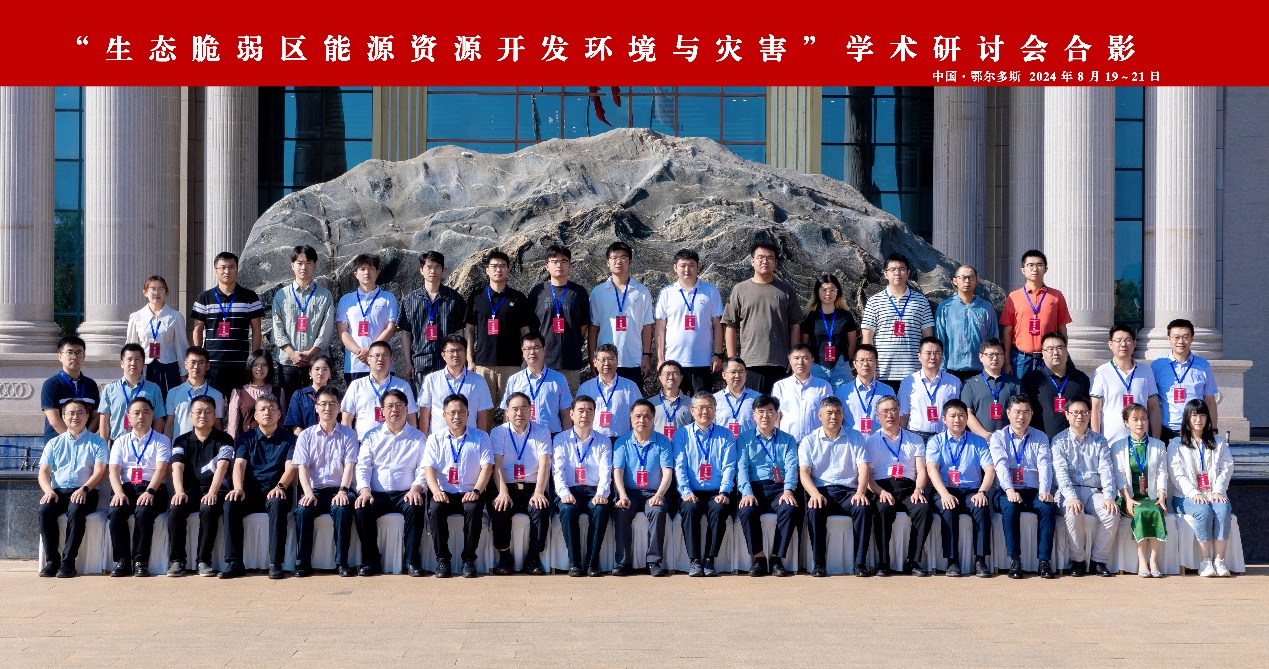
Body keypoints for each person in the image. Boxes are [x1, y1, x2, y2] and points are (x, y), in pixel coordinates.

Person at [353, 389, 428, 577]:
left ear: (407, 409)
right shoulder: (371, 436)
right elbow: (363, 467)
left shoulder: (418, 437)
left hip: (406, 493)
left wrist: (415, 489)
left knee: (415, 505)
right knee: (362, 509)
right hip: (377, 494)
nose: (395, 410)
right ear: (382, 411)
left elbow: (423, 469)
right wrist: (364, 491)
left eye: (399, 405)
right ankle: (371, 561)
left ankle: (411, 561)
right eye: (390, 406)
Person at [221, 394, 296, 579]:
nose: (267, 412)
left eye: (272, 409)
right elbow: (239, 465)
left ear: (279, 414)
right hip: (250, 491)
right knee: (231, 503)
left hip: (277, 489)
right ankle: (234, 563)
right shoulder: (245, 438)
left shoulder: (290, 439)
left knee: (277, 502)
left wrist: (280, 487)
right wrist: (238, 488)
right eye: (262, 409)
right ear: (255, 415)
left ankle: (275, 564)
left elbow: (290, 468)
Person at [422, 394, 495, 578]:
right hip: (444, 493)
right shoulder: (435, 439)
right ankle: (442, 560)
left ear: (468, 414)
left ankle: (468, 559)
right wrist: (436, 491)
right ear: (444, 415)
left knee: (473, 508)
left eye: (461, 412)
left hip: (470, 492)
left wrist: (476, 491)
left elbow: (487, 467)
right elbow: (428, 469)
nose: (457, 417)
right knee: (435, 509)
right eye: (452, 413)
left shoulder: (481, 437)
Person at [800, 395, 872, 577]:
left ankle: (860, 563)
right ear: (820, 416)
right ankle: (818, 564)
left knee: (863, 508)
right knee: (814, 510)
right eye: (829, 413)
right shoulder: (809, 440)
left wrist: (861, 492)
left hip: (849, 492)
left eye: (838, 412)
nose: (834, 417)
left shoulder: (855, 437)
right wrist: (814, 494)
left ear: (843, 415)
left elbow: (863, 467)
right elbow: (804, 473)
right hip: (822, 491)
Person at [291, 386, 358, 577]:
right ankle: (303, 562)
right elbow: (302, 468)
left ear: (339, 407)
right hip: (315, 491)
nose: (327, 408)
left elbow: (349, 466)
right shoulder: (306, 435)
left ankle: (342, 562)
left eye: (332, 404)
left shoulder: (349, 434)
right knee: (303, 510)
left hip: (340, 489)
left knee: (342, 508)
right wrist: (308, 493)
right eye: (323, 404)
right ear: (316, 407)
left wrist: (343, 491)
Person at [36, 399, 107, 578]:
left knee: (76, 510)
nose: (76, 417)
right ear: (63, 417)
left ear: (87, 416)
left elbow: (99, 472)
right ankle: (52, 561)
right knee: (45, 510)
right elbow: (43, 472)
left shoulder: (98, 442)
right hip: (58, 491)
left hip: (86, 491)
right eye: (71, 413)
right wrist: (48, 491)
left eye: (80, 413)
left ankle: (68, 562)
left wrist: (84, 489)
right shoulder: (54, 443)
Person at [989, 394, 1057, 579]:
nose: (1021, 416)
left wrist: (1044, 491)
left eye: (1026, 412)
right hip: (1006, 490)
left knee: (1047, 507)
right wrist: (1009, 490)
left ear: (1032, 414)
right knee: (1010, 507)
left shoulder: (1040, 436)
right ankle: (1015, 560)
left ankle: (1044, 561)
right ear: (1008, 413)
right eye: (1017, 412)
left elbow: (1044, 465)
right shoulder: (998, 437)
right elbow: (1000, 464)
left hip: (1033, 491)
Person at [165, 395, 234, 577]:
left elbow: (222, 467)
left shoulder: (225, 439)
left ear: (215, 415)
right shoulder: (180, 441)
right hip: (190, 491)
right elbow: (177, 467)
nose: (203, 415)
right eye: (198, 412)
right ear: (191, 416)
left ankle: (204, 561)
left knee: (208, 507)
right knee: (176, 507)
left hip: (216, 490)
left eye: (208, 412)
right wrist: (179, 491)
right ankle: (177, 561)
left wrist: (212, 492)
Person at [1050, 395, 1119, 577]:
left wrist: (1109, 496)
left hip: (1093, 491)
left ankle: (1098, 561)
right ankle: (1078, 560)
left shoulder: (1100, 440)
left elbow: (1106, 471)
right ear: (1067, 415)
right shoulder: (1058, 441)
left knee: (1111, 512)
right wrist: (1071, 497)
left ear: (1090, 415)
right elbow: (1060, 473)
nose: (1080, 416)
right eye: (1075, 413)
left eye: (1084, 412)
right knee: (1073, 512)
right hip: (1067, 491)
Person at [723, 241, 803, 395]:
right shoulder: (740, 290)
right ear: (752, 261)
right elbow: (730, 325)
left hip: (780, 363)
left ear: (776, 262)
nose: (765, 261)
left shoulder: (786, 291)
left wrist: (793, 357)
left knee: (778, 407)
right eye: (760, 257)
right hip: (749, 364)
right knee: (752, 407)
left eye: (769, 258)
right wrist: (733, 360)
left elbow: (795, 325)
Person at [865, 395, 933, 576]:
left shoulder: (915, 439)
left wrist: (918, 489)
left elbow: (921, 471)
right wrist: (880, 491)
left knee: (923, 509)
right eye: (885, 411)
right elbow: (867, 477)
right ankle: (883, 562)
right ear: (878, 416)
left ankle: (913, 561)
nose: (890, 415)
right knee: (882, 510)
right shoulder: (871, 441)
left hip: (909, 487)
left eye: (893, 410)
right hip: (882, 487)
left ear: (899, 412)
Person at [925, 399, 994, 577]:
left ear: (967, 418)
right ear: (944, 419)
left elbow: (989, 469)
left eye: (962, 415)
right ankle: (952, 561)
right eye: (953, 416)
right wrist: (944, 494)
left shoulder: (978, 441)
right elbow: (932, 469)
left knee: (981, 506)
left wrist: (982, 492)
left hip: (972, 491)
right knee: (948, 509)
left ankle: (980, 560)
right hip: (945, 490)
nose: (957, 419)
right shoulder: (935, 441)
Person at [487, 392, 553, 576]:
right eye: (515, 409)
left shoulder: (542, 431)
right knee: (500, 506)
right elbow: (497, 465)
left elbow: (544, 464)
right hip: (506, 486)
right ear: (506, 412)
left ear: (531, 410)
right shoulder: (498, 432)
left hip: (532, 487)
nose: (519, 413)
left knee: (540, 507)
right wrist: (502, 492)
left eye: (524, 408)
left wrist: (539, 492)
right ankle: (504, 555)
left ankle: (534, 557)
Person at [105, 397, 172, 577]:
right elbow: (113, 470)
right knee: (116, 512)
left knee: (144, 512)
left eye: (145, 412)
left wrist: (150, 491)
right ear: (128, 417)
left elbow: (161, 469)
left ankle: (140, 561)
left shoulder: (162, 440)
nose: (141, 416)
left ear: (152, 416)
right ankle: (122, 561)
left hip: (153, 489)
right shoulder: (120, 441)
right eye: (136, 413)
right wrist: (118, 492)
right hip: (126, 489)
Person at [673, 392, 737, 577]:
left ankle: (710, 559)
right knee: (689, 508)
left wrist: (724, 492)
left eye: (709, 408)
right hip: (691, 491)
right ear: (692, 410)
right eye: (700, 408)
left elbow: (729, 467)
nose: (705, 412)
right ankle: (694, 560)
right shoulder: (682, 435)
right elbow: (680, 467)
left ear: (715, 411)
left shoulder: (726, 435)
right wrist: (686, 491)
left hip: (716, 491)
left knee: (719, 509)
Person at [1168, 398, 1234, 577]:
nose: (1199, 419)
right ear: (1187, 418)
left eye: (1203, 415)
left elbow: (1226, 468)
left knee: (1223, 509)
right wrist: (1194, 493)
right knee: (1203, 511)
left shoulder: (1218, 442)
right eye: (1194, 415)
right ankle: (1205, 561)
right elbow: (1177, 474)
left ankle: (1219, 560)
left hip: (1213, 493)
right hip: (1185, 497)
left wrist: (1218, 490)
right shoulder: (1176, 444)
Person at [735, 395, 800, 577]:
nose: (765, 416)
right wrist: (746, 493)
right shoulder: (744, 439)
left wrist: (788, 490)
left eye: (770, 411)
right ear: (754, 415)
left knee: (789, 508)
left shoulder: (788, 439)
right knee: (747, 510)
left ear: (777, 415)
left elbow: (791, 467)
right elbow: (741, 468)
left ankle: (777, 558)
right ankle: (759, 558)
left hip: (779, 489)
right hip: (754, 488)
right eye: (761, 412)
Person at [611, 399, 676, 577]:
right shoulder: (622, 442)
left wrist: (659, 495)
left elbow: (667, 472)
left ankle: (653, 562)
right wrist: (622, 495)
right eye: (638, 416)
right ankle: (623, 562)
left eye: (647, 416)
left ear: (653, 419)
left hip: (653, 493)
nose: (642, 420)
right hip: (629, 493)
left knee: (657, 511)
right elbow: (617, 471)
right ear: (631, 418)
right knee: (621, 510)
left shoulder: (663, 441)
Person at [465, 250, 536, 405]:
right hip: (483, 365)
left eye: (502, 266)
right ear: (487, 270)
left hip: (512, 365)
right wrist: (469, 359)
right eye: (494, 266)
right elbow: (469, 329)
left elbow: (525, 331)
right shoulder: (476, 298)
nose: (498, 270)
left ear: (508, 270)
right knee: (483, 410)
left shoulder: (518, 298)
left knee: (513, 408)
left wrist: (525, 361)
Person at [553, 396, 613, 577]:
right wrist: (564, 493)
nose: (584, 415)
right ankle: (575, 563)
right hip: (570, 491)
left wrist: (602, 494)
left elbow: (606, 471)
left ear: (595, 415)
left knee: (601, 510)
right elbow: (558, 471)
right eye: (580, 410)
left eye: (589, 410)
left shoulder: (603, 440)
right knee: (568, 510)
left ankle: (592, 563)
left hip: (594, 492)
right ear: (571, 414)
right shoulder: (561, 439)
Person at [191, 252, 264, 397]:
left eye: (231, 267)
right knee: (210, 405)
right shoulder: (204, 298)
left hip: (240, 364)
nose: (227, 271)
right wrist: (199, 358)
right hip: (212, 365)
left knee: (239, 407)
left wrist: (254, 358)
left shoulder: (250, 297)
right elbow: (197, 329)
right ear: (216, 271)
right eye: (222, 267)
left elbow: (257, 329)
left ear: (237, 270)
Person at [655, 248, 725, 395]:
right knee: (674, 403)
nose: (687, 270)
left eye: (691, 265)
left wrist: (718, 354)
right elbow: (660, 328)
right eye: (683, 265)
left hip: (702, 362)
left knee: (701, 404)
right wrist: (660, 359)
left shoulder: (710, 291)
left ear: (698, 266)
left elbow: (718, 325)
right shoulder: (666, 293)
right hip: (673, 362)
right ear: (675, 267)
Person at [861, 253, 935, 390]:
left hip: (914, 373)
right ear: (885, 274)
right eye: (892, 269)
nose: (897, 273)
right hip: (882, 373)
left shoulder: (921, 301)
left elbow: (928, 338)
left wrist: (927, 367)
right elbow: (867, 339)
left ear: (908, 273)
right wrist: (871, 368)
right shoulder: (874, 302)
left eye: (901, 269)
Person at [1111, 402, 1169, 578]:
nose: (1140, 423)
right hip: (1128, 496)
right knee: (1142, 511)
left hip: (1151, 495)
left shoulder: (1158, 445)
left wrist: (1162, 497)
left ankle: (1153, 560)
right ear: (1126, 422)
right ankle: (1142, 561)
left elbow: (1162, 473)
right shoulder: (1118, 446)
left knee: (1156, 510)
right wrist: (1128, 499)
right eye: (1135, 419)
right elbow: (1119, 476)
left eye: (1143, 418)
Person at [271, 245, 335, 399]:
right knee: (287, 405)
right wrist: (291, 353)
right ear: (292, 265)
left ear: (315, 265)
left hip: (316, 363)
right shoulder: (281, 295)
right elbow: (277, 328)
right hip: (288, 362)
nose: (304, 267)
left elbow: (327, 328)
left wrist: (311, 353)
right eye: (299, 263)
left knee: (318, 404)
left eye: (308, 263)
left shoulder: (325, 295)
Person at [527, 244, 591, 393]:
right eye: (554, 261)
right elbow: (531, 326)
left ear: (570, 265)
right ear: (547, 266)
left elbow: (583, 325)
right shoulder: (537, 292)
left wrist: (574, 341)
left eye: (563, 261)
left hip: (571, 360)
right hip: (543, 360)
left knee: (570, 402)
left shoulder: (579, 292)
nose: (559, 265)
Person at [588, 241, 654, 386]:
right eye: (614, 258)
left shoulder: (641, 291)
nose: (618, 261)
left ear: (630, 262)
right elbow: (593, 328)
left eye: (623, 257)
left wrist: (646, 356)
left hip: (633, 360)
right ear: (608, 262)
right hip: (605, 362)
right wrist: (592, 359)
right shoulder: (598, 292)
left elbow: (647, 326)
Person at [1000, 250, 1072, 378]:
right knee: (1020, 391)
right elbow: (1007, 332)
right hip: (1021, 359)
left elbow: (1062, 329)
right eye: (1030, 265)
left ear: (1046, 269)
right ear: (1023, 270)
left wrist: (1063, 356)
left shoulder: (1056, 296)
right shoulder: (1013, 297)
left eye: (1039, 265)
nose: (1035, 269)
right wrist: (1006, 362)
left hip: (1048, 358)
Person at [401, 251, 468, 385]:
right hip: (420, 364)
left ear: (443, 270)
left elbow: (460, 331)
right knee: (421, 399)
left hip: (448, 364)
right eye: (429, 267)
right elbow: (406, 333)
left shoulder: (454, 298)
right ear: (421, 270)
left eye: (437, 267)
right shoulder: (410, 300)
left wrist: (460, 360)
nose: (433, 271)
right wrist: (408, 363)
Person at [1151, 318, 1219, 443]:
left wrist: (1213, 430)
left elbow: (1210, 401)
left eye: (1186, 337)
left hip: (1195, 432)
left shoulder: (1203, 365)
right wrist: (1155, 436)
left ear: (1192, 338)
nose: (1181, 341)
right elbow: (1153, 403)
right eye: (1176, 337)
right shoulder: (1157, 366)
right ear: (1169, 338)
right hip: (1167, 432)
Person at [1091, 325, 1161, 444]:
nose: (1123, 344)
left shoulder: (1146, 371)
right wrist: (1097, 442)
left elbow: (1153, 407)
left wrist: (1156, 440)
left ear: (1134, 344)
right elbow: (1096, 410)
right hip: (1110, 442)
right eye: (1118, 341)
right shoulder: (1101, 372)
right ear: (1110, 344)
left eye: (1128, 340)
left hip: (1141, 442)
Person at [336, 253, 399, 385]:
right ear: (356, 274)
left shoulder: (388, 298)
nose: (367, 273)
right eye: (362, 269)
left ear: (377, 272)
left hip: (382, 363)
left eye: (371, 269)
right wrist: (359, 352)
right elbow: (342, 331)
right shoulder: (346, 300)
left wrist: (371, 350)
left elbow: (391, 328)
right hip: (355, 364)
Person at [417, 334, 494, 436]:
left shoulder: (478, 381)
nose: (456, 354)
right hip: (438, 441)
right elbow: (424, 415)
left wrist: (480, 440)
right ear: (443, 355)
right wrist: (424, 441)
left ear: (466, 353)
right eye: (451, 351)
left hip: (470, 440)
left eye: (460, 350)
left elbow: (482, 416)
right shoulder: (431, 380)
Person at [125, 275, 189, 396]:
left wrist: (184, 372)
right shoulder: (136, 317)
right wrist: (129, 370)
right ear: (145, 292)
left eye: (161, 289)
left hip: (169, 367)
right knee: (144, 402)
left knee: (168, 402)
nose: (157, 293)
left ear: (166, 292)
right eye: (153, 289)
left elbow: (181, 346)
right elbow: (131, 346)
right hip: (144, 368)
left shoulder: (175, 316)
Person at [1021, 331, 1092, 439]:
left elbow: (1089, 411)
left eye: (1059, 348)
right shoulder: (1032, 379)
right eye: (1050, 349)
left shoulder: (1081, 379)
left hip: (1075, 442)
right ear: (1043, 353)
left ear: (1066, 351)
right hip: (1041, 443)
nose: (1055, 353)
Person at [341, 341, 418, 440]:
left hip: (396, 442)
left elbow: (411, 418)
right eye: (376, 355)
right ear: (368, 359)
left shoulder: (402, 386)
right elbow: (346, 420)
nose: (380, 359)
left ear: (391, 360)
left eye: (385, 355)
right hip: (364, 442)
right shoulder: (356, 385)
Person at [935, 265, 998, 382]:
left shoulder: (986, 307)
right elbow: (939, 340)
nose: (967, 281)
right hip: (952, 371)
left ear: (976, 281)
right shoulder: (945, 307)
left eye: (971, 277)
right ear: (955, 281)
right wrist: (942, 370)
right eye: (963, 277)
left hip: (980, 371)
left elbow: (993, 339)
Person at [501, 332, 573, 434]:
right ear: (523, 352)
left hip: (552, 435)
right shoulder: (514, 380)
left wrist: (567, 438)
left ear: (544, 350)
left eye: (536, 348)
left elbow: (566, 413)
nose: (532, 352)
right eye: (528, 349)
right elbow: (507, 412)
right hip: (522, 436)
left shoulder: (559, 379)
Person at [99, 343, 168, 442]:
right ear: (122, 363)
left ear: (143, 363)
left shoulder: (154, 389)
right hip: (117, 443)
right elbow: (104, 420)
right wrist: (103, 446)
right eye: (129, 359)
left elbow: (158, 420)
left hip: (145, 443)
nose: (133, 363)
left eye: (137, 359)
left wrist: (155, 443)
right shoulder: (110, 389)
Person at [897, 337, 961, 440]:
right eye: (928, 353)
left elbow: (959, 413)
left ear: (942, 356)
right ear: (919, 356)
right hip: (915, 437)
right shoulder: (908, 382)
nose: (933, 357)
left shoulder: (954, 382)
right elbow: (903, 415)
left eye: (937, 353)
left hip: (945, 437)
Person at [801, 274, 858, 388]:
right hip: (817, 366)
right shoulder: (810, 317)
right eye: (824, 289)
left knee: (844, 397)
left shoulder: (846, 316)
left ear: (838, 292)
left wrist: (844, 360)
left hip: (841, 367)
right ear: (817, 292)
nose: (828, 293)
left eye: (832, 290)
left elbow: (852, 344)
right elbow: (804, 344)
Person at [41, 336, 101, 441]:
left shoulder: (91, 384)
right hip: (59, 444)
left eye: (79, 353)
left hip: (85, 444)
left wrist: (85, 439)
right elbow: (54, 420)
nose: (74, 356)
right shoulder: (51, 384)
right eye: (69, 352)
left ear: (84, 357)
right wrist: (73, 440)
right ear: (60, 356)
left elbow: (96, 416)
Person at [960, 338, 1023, 439]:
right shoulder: (970, 384)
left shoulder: (1015, 383)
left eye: (999, 354)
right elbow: (967, 414)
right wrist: (984, 435)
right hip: (979, 441)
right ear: (981, 357)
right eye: (990, 354)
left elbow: (1021, 412)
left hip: (1009, 440)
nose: (995, 358)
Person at [578, 344, 642, 441]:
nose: (606, 363)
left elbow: (639, 414)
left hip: (622, 440)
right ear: (595, 362)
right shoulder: (586, 388)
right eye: (602, 360)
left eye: (611, 359)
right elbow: (578, 416)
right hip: (593, 441)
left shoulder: (630, 386)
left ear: (617, 361)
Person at [770, 343, 834, 441]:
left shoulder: (824, 386)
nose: (800, 362)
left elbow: (829, 415)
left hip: (816, 442)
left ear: (812, 360)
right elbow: (776, 416)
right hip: (788, 442)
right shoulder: (780, 386)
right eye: (796, 358)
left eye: (805, 358)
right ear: (790, 360)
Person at [835, 344, 896, 436]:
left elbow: (894, 420)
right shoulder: (842, 392)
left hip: (880, 441)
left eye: (870, 360)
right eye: (861, 360)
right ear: (854, 363)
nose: (865, 364)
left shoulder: (887, 391)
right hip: (851, 442)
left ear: (877, 363)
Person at [165, 346, 225, 439]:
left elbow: (218, 426)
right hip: (179, 446)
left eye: (201, 362)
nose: (196, 366)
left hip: (206, 446)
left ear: (207, 366)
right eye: (192, 362)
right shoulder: (173, 393)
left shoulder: (216, 395)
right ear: (185, 364)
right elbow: (169, 424)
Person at [226, 349, 286, 438]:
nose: (259, 368)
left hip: (273, 440)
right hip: (247, 440)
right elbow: (233, 424)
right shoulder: (238, 392)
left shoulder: (279, 392)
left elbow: (282, 422)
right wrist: (232, 444)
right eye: (255, 365)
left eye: (264, 365)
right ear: (249, 367)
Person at [282, 354, 334, 435]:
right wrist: (303, 441)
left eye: (325, 369)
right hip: (306, 439)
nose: (320, 373)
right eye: (317, 369)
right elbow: (296, 425)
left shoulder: (336, 396)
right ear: (310, 372)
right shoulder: (299, 395)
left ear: (330, 373)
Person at [713, 357, 756, 437]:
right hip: (723, 443)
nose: (737, 375)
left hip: (750, 444)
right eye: (733, 372)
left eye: (741, 372)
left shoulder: (757, 398)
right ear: (724, 375)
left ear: (746, 374)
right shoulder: (714, 399)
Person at [652, 360, 692, 440]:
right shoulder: (651, 403)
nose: (671, 377)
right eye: (667, 374)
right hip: (658, 446)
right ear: (660, 378)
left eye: (675, 373)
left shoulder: (691, 403)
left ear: (681, 377)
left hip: (684, 446)